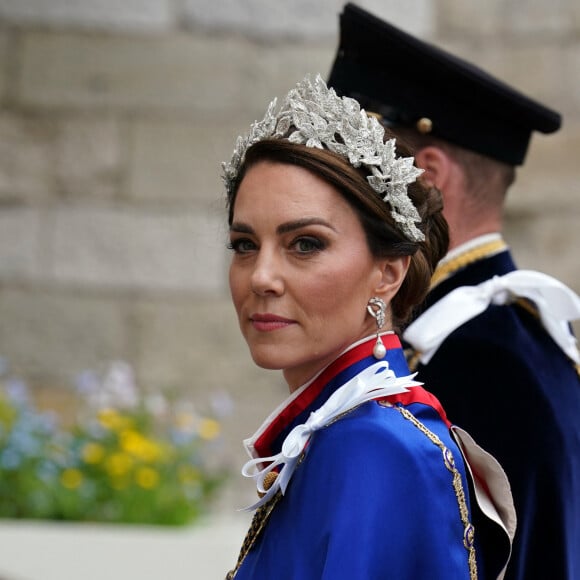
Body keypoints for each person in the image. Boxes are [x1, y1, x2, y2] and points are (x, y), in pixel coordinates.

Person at [222, 74, 515, 580]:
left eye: (305, 244)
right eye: (245, 245)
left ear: (388, 273)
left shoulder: (376, 449)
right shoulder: (341, 432)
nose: (262, 277)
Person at [327, 4, 580, 580]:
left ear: (429, 177)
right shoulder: (484, 334)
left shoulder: (484, 354)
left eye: (353, 170)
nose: (329, 193)